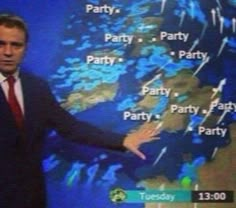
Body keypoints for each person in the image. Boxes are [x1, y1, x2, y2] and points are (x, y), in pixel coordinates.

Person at [0, 14, 155, 208]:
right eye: (1, 44)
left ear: (25, 49)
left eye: (16, 45)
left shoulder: (36, 88)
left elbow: (70, 127)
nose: (8, 52)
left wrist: (122, 141)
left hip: (29, 196)